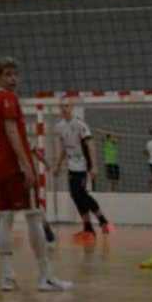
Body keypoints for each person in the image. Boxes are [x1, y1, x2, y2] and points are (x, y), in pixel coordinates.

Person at [0, 58, 70, 293]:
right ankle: (45, 277)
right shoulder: (8, 98)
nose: (13, 78)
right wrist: (26, 165)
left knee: (5, 218)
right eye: (7, 74)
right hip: (14, 168)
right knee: (34, 215)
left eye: (15, 74)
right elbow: (12, 132)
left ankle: (7, 278)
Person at [51, 100, 111, 241]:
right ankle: (90, 227)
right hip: (71, 166)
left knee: (81, 194)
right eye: (62, 106)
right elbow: (64, 148)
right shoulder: (59, 126)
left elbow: (91, 145)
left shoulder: (80, 124)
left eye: (67, 105)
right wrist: (58, 165)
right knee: (76, 195)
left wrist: (94, 166)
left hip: (82, 165)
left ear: (72, 107)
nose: (64, 108)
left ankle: (101, 222)